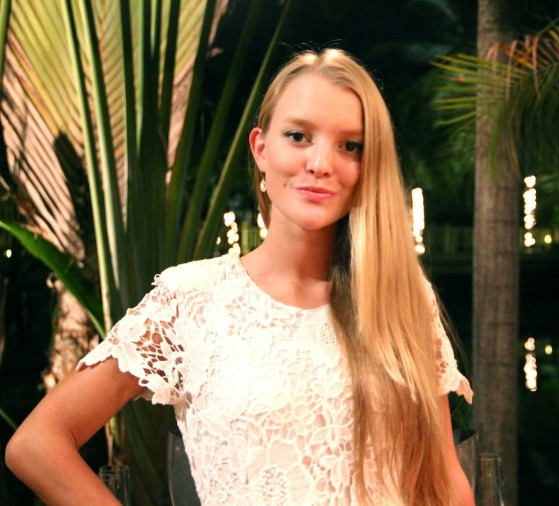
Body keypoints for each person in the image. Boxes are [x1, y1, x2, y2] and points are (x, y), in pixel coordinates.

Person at [5, 48, 474, 505]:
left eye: (350, 146)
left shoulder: (402, 295)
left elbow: (445, 481)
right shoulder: (191, 300)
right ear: (261, 148)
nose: (321, 163)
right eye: (298, 136)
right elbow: (37, 444)